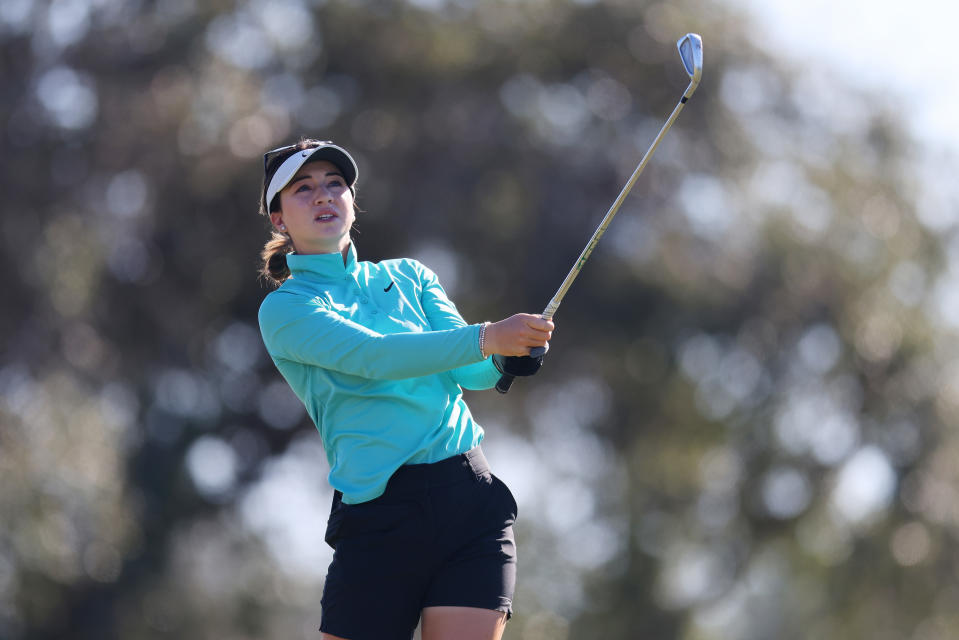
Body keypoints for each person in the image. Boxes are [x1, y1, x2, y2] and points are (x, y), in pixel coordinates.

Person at [255, 138, 554, 640]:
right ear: (279, 219)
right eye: (303, 190)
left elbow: (470, 373)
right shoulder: (287, 309)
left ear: (352, 200)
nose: (324, 196)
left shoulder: (410, 276)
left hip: (467, 500)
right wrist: (488, 337)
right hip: (379, 518)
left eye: (335, 184)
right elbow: (375, 358)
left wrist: (508, 354)